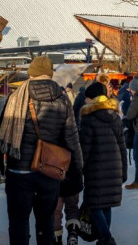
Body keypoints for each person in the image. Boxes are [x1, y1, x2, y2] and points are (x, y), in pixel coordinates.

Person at [0, 56, 84, 245]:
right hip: (49, 171)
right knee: (46, 223)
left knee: (18, 222)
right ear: (50, 74)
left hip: (18, 171)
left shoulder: (15, 98)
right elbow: (72, 138)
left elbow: (1, 130)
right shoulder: (62, 99)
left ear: (31, 74)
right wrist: (76, 172)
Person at [79, 82, 128, 245]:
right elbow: (122, 145)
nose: (85, 101)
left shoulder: (88, 118)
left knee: (94, 205)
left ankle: (106, 238)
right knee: (106, 205)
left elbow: (85, 148)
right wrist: (123, 170)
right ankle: (103, 239)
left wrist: (79, 168)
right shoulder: (114, 116)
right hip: (114, 168)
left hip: (96, 169)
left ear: (92, 99)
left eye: (87, 98)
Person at [54, 83, 83, 245]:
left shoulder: (49, 127)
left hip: (55, 172)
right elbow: (77, 151)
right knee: (72, 207)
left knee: (56, 211)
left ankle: (57, 238)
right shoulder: (74, 126)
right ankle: (72, 233)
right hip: (72, 172)